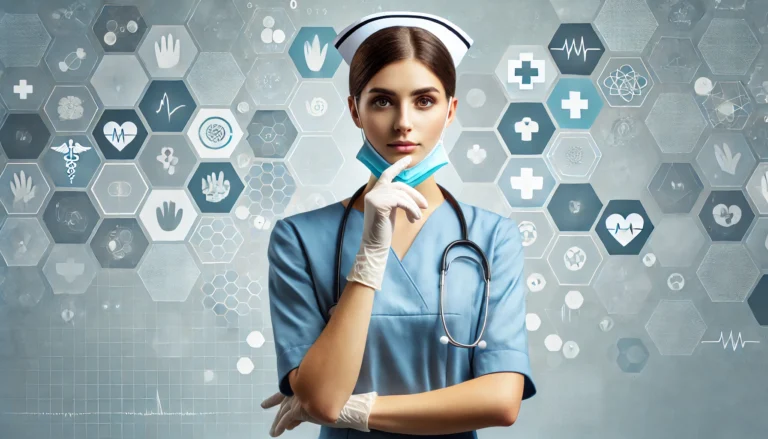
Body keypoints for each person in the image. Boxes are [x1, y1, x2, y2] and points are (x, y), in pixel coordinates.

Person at [260, 11, 536, 438]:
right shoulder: (298, 239)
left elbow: (501, 400)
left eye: (424, 101)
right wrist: (371, 252)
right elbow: (319, 396)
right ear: (355, 110)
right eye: (382, 100)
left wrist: (353, 409)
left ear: (450, 111)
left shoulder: (492, 238)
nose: (403, 121)